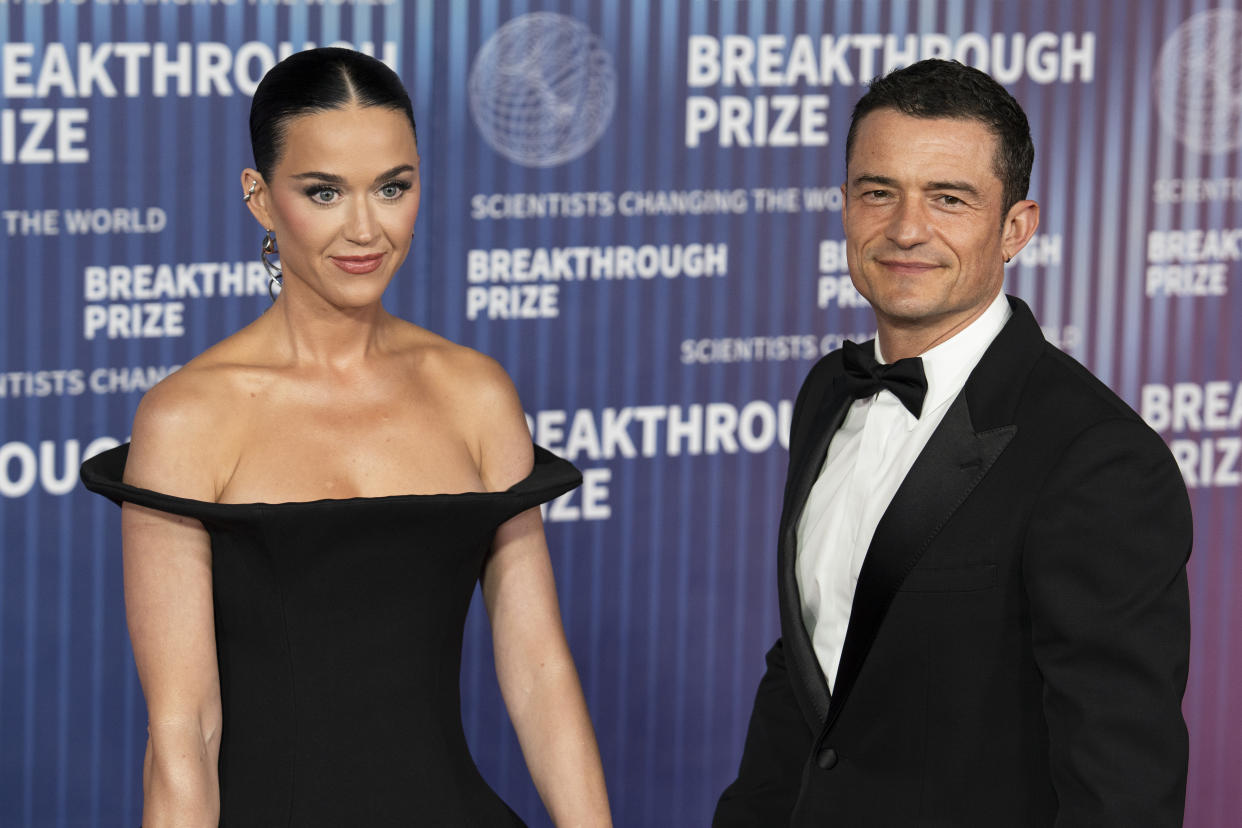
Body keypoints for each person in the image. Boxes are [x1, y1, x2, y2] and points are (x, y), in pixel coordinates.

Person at [80, 47, 611, 827]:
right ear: (260, 199)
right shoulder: (188, 418)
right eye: (323, 191)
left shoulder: (476, 395)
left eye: (393, 187)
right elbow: (183, 731)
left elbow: (538, 674)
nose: (366, 228)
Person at [714, 59, 1192, 827]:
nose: (906, 229)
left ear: (1016, 228)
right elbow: (814, 666)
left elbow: (1122, 784)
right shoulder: (828, 395)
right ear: (843, 206)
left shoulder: (1097, 459)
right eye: (879, 192)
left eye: (949, 199)